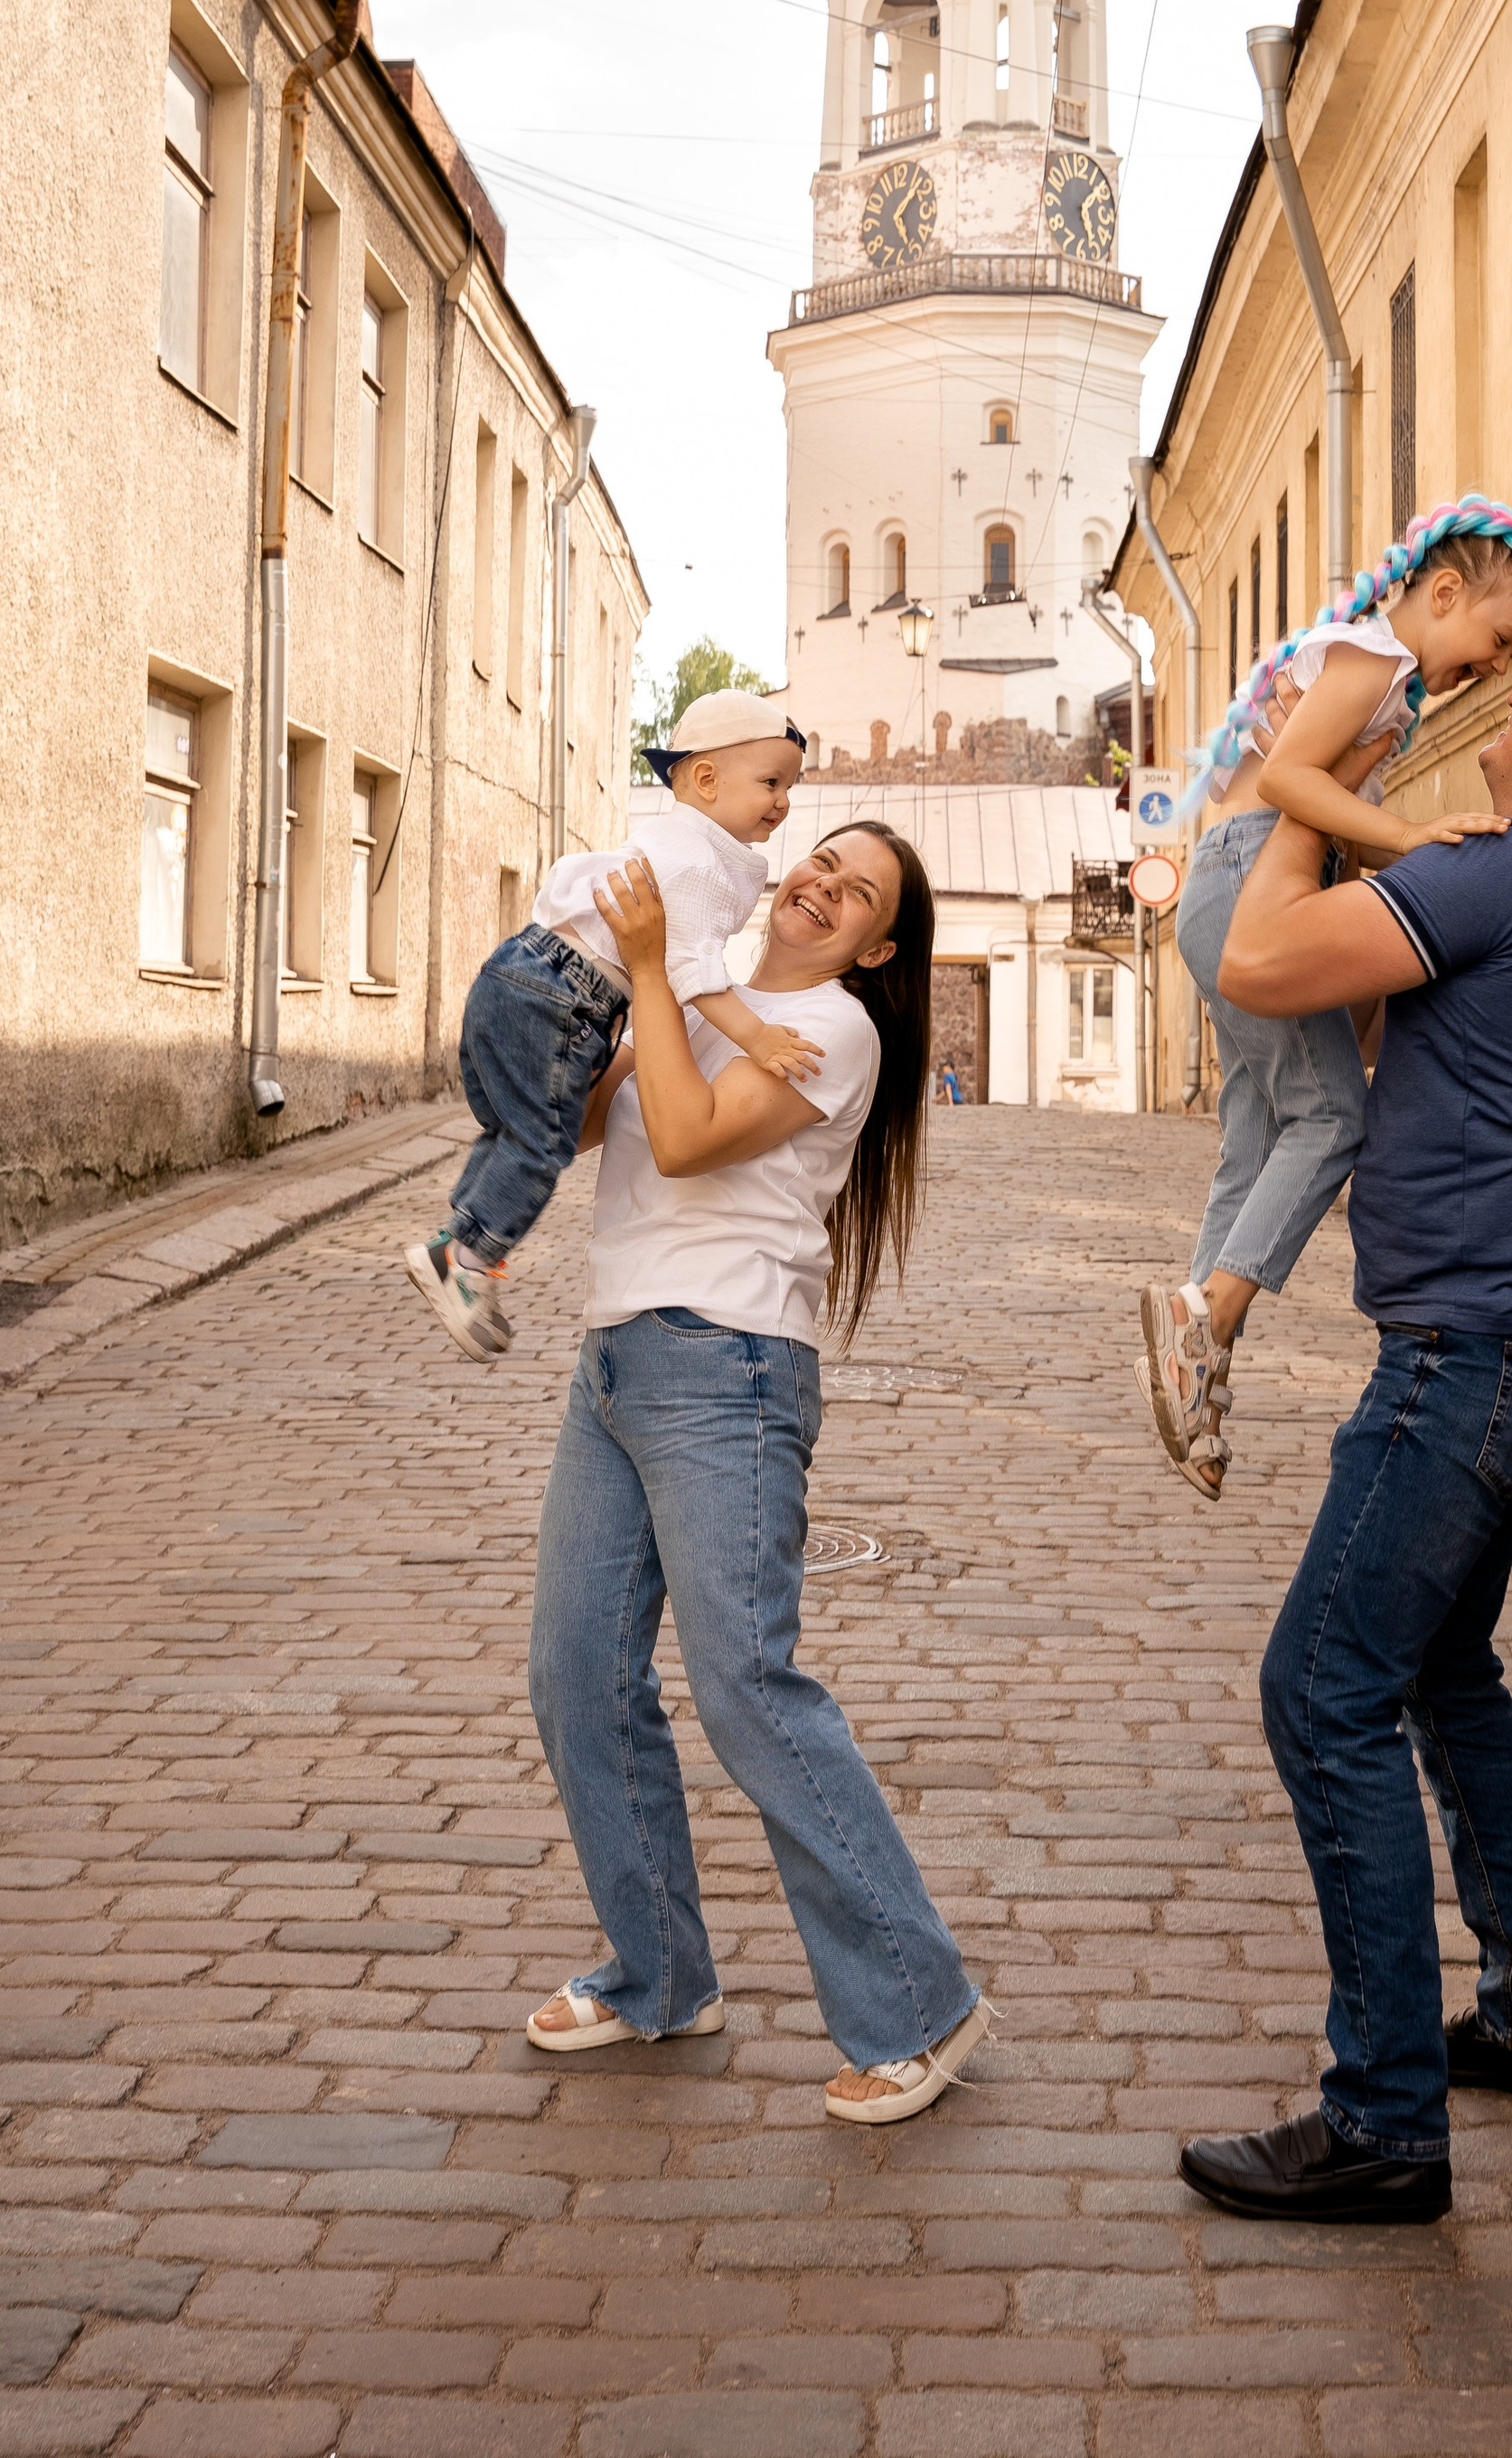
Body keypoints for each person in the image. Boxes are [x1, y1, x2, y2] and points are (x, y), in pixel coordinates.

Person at [1174, 648, 1512, 2225]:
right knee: (1441, 1669)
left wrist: (1300, 772)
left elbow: (1258, 966)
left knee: (1323, 1685)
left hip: (1478, 1347)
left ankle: (1384, 2119)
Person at [522, 821, 991, 2124]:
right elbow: (582, 1129)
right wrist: (600, 985)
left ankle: (920, 2004)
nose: (824, 885)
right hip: (616, 1353)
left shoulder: (838, 1031)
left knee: (749, 1691)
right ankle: (660, 1975)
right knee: (574, 1675)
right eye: (821, 861)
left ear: (877, 944)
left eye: (861, 893)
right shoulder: (713, 987)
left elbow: (681, 1138)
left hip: (727, 1368)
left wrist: (662, 972)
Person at [1136, 499, 1512, 1503]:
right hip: (1249, 880)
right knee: (1332, 1116)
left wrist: (1385, 845)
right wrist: (1409, 840)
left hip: (1237, 883)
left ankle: (1193, 1368)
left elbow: (1314, 795)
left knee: (1259, 1131)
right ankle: (1204, 1325)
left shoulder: (1382, 675)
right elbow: (1286, 780)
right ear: (1444, 593)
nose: (1497, 666)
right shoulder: (1372, 658)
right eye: (1500, 640)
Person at [407, 691, 820, 1362]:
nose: (783, 802)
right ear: (707, 780)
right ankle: (469, 1257)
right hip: (565, 996)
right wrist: (757, 1037)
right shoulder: (698, 864)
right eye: (771, 783)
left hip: (518, 970)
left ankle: (459, 1240)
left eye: (790, 787)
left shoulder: (665, 841)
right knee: (541, 1147)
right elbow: (689, 971)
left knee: (517, 1135)